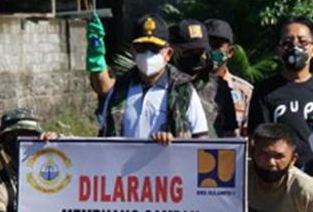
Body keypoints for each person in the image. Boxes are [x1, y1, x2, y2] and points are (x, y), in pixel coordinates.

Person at [87, 13, 209, 144]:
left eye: (154, 49)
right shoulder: (121, 87)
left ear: (168, 54)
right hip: (121, 157)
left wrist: (174, 143)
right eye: (141, 48)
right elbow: (103, 88)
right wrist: (96, 54)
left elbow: (201, 141)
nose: (147, 54)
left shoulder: (183, 90)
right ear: (133, 51)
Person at [247, 16, 313, 166]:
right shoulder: (264, 90)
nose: (295, 47)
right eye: (287, 43)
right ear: (278, 50)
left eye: (302, 42)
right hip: (278, 172)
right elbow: (257, 138)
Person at [170, 19, 238, 137]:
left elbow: (230, 135)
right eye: (188, 52)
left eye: (200, 51)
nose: (196, 57)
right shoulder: (162, 85)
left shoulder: (219, 87)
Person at [205, 18, 253, 135]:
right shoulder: (189, 87)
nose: (211, 51)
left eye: (217, 46)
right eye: (207, 45)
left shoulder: (244, 91)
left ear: (230, 52)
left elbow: (248, 134)